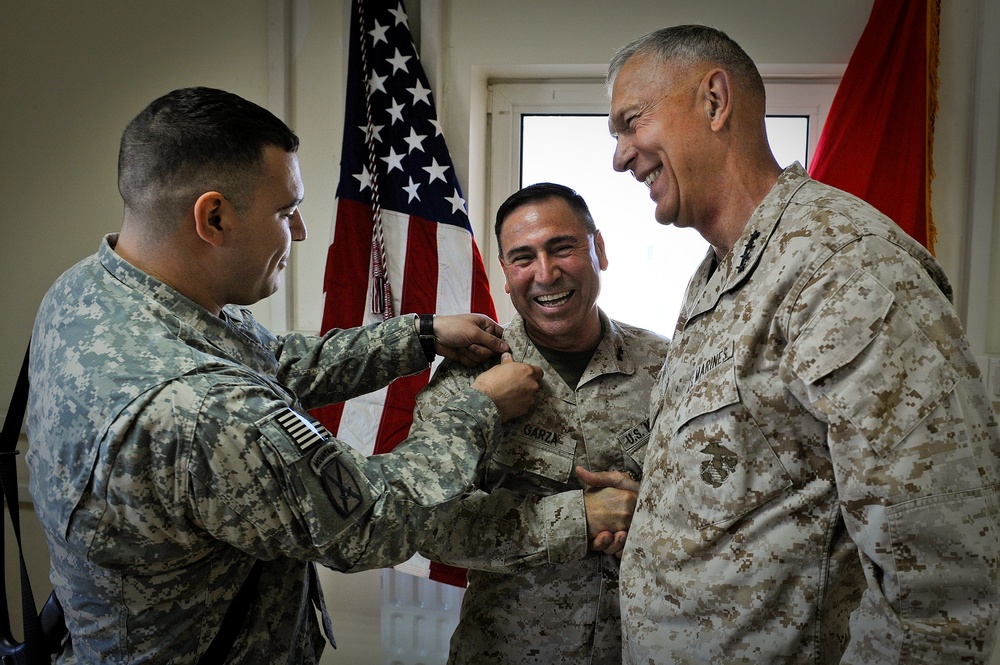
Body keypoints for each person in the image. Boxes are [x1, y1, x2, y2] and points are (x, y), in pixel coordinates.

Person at [25, 86, 543, 665]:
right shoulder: (204, 411)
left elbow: (265, 362)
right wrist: (478, 408)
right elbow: (371, 522)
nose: (298, 232)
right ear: (214, 216)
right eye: (284, 211)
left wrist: (418, 336)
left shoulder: (88, 291)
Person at [604, 25, 1000, 664]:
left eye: (631, 122)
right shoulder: (715, 277)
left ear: (713, 101)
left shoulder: (845, 268)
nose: (620, 157)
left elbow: (939, 576)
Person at [411, 182, 670, 664]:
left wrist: (645, 508)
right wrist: (582, 518)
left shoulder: (667, 364)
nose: (546, 274)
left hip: (642, 648)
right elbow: (430, 524)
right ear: (506, 276)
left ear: (600, 251)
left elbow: (715, 494)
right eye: (523, 257)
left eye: (562, 248)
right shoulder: (469, 380)